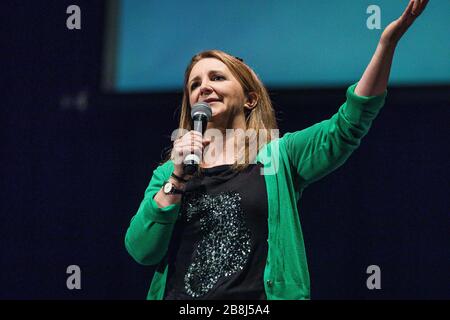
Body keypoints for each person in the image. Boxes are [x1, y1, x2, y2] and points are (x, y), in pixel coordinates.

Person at [125, 0, 428, 300]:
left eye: (217, 77)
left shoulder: (277, 158)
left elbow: (347, 125)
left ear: (250, 99)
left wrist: (387, 43)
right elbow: (142, 251)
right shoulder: (169, 173)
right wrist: (176, 180)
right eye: (194, 85)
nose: (203, 87)